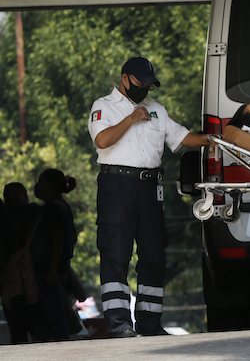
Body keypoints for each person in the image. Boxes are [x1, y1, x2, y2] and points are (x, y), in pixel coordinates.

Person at [87, 57, 210, 338]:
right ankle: (119, 323)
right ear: (125, 78)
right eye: (140, 83)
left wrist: (212, 138)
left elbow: (182, 139)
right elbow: (102, 141)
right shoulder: (103, 106)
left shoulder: (157, 110)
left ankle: (150, 324)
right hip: (116, 185)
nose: (144, 89)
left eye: (149, 85)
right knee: (116, 252)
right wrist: (131, 119)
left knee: (154, 254)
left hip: (149, 188)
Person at [31, 169, 78, 341]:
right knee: (53, 314)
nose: (38, 185)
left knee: (55, 316)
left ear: (49, 185)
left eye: (41, 181)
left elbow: (57, 239)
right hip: (61, 268)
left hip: (49, 270)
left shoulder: (52, 208)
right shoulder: (62, 205)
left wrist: (51, 269)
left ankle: (62, 349)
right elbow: (72, 237)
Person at [2, 182, 41, 343]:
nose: (14, 199)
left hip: (31, 273)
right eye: (10, 196)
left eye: (16, 194)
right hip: (12, 275)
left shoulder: (34, 212)